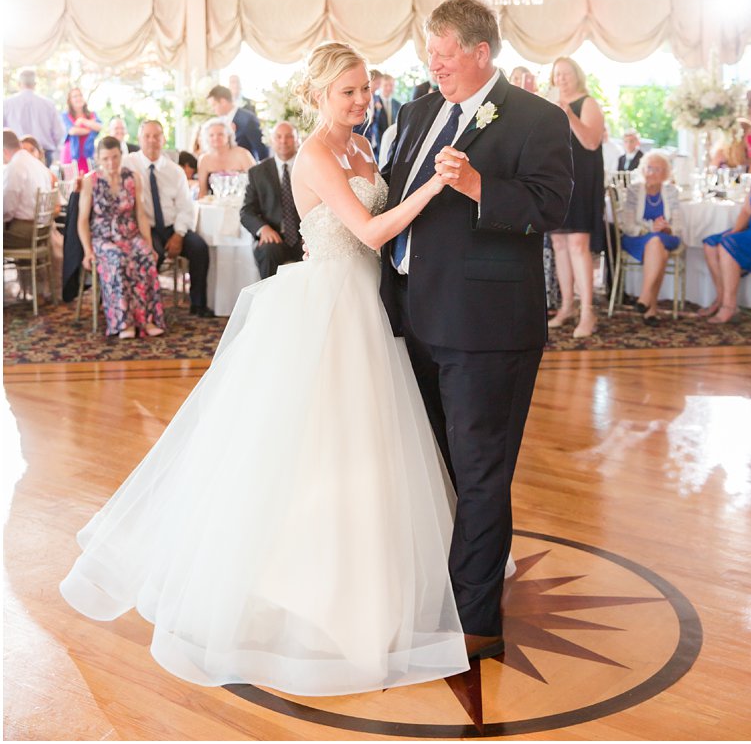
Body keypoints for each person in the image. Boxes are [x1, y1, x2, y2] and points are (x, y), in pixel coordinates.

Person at [61, 41, 472, 696]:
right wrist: (436, 184)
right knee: (313, 449)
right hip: (328, 303)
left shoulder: (365, 147)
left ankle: (378, 588)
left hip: (370, 306)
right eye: (347, 91)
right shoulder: (313, 153)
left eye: (365, 88)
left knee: (371, 450)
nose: (362, 100)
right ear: (316, 97)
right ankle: (298, 591)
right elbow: (367, 232)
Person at [381, 0, 575, 706]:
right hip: (413, 319)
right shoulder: (413, 112)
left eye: (446, 54)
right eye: (430, 55)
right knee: (433, 464)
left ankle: (473, 624)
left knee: (482, 471)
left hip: (489, 327)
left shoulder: (535, 118)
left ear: (482, 52)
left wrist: (480, 186)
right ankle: (438, 587)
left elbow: (551, 204)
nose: (434, 66)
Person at [75, 136, 165, 339]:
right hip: (103, 239)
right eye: (106, 158)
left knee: (145, 257)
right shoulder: (91, 180)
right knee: (118, 259)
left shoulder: (133, 178)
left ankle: (147, 319)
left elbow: (141, 214)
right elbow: (82, 221)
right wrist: (88, 251)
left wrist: (149, 245)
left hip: (130, 234)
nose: (111, 163)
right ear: (98, 158)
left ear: (121, 156)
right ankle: (123, 323)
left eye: (115, 158)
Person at [124, 120, 214, 317]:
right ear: (139, 139)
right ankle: (147, 308)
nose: (152, 141)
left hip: (173, 227)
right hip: (146, 228)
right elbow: (105, 172)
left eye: (156, 136)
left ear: (163, 139)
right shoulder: (128, 164)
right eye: (147, 136)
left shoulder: (175, 171)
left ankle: (198, 304)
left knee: (200, 249)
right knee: (151, 253)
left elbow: (186, 207)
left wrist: (179, 235)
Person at [547, 56, 605, 340]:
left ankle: (588, 311)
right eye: (557, 74)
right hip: (557, 179)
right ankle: (566, 305)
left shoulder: (587, 103)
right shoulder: (549, 103)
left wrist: (569, 114)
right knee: (559, 243)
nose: (562, 79)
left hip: (581, 181)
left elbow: (591, 142)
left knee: (578, 245)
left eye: (567, 73)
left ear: (577, 75)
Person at [614, 151, 681, 322]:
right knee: (660, 250)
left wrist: (666, 227)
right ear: (642, 169)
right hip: (637, 237)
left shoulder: (672, 191)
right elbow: (628, 226)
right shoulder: (634, 190)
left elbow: (678, 224)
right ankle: (651, 308)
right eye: (648, 168)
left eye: (657, 169)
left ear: (666, 173)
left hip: (665, 236)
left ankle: (644, 297)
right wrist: (652, 228)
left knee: (657, 241)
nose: (651, 173)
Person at [239, 122, 305, 281]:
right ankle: (267, 303)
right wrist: (263, 229)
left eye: (289, 136)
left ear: (298, 140)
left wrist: (313, 233)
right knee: (268, 250)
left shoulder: (308, 166)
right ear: (272, 140)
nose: (283, 141)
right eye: (278, 137)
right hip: (273, 237)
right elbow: (246, 211)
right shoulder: (257, 172)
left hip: (305, 236)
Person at [697, 174, 751, 323]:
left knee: (727, 244)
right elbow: (747, 210)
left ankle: (729, 305)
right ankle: (721, 297)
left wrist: (731, 237)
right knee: (711, 243)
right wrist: (734, 231)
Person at [4, 128, 54, 249]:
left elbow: (6, 209)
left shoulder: (15, 166)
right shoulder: (37, 164)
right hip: (42, 230)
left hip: (25, 232)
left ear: (4, 151)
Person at [4, 68, 65, 164]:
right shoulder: (48, 104)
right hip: (43, 154)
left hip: (16, 154)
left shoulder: (6, 104)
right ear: (35, 84)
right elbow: (59, 132)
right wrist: (55, 151)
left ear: (19, 84)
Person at [195, 120, 255, 196]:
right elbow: (202, 191)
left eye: (220, 134)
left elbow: (257, 182)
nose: (216, 138)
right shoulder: (204, 159)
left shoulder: (242, 154)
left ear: (228, 136)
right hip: (214, 205)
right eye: (211, 135)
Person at [209, 84, 267, 161]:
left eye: (214, 105)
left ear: (223, 102)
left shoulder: (248, 119)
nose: (212, 109)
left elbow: (261, 150)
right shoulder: (219, 121)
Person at [60, 87, 102, 175]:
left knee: (89, 182)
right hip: (71, 156)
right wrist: (90, 128)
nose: (78, 98)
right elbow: (72, 131)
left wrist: (82, 121)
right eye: (75, 96)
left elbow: (99, 127)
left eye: (80, 95)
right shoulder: (65, 115)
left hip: (88, 156)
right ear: (70, 101)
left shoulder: (92, 114)